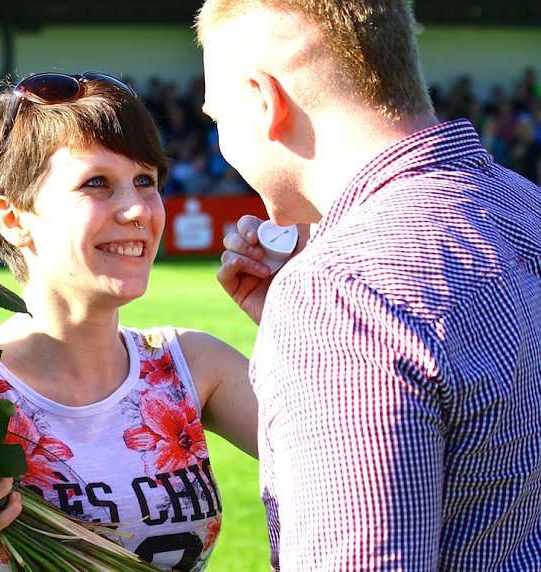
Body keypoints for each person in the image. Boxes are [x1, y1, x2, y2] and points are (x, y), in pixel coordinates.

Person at [195, 0, 541, 569]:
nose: (221, 145)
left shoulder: (341, 294)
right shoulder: (520, 205)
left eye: (217, 120)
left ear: (264, 101)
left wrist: (324, 319)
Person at [0, 71, 258, 571]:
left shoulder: (192, 365)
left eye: (146, 180)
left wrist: (287, 312)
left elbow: (357, 455)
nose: (137, 209)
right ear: (14, 219)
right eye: (96, 183)